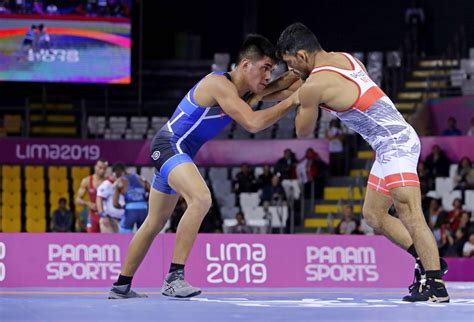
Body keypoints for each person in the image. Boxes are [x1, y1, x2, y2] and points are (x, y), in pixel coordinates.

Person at [108, 34, 300, 299]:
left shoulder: (243, 92)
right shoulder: (219, 85)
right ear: (245, 64)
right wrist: (292, 102)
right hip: (168, 146)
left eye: (271, 70)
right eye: (265, 68)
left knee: (153, 222)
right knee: (200, 198)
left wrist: (311, 72)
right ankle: (174, 278)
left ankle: (120, 286)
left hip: (177, 152)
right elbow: (254, 123)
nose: (268, 76)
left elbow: (286, 86)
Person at [275, 22, 449, 302]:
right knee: (374, 216)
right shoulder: (345, 58)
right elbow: (298, 86)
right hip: (388, 144)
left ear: (303, 56)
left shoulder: (315, 85)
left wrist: (295, 100)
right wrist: (276, 93)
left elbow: (303, 131)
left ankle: (436, 285)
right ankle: (431, 262)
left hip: (396, 143)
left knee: (410, 214)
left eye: (290, 63)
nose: (290, 71)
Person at [76, 159, 108, 233]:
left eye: (104, 169)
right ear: (95, 167)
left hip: (105, 215)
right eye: (100, 168)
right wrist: (88, 204)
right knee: (91, 238)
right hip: (93, 215)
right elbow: (78, 199)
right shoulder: (87, 181)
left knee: (106, 239)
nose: (102, 170)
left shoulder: (108, 181)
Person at [96, 163, 126, 233]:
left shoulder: (124, 184)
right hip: (110, 220)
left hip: (123, 220)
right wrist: (103, 215)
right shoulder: (107, 184)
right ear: (114, 173)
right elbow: (99, 198)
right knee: (109, 242)